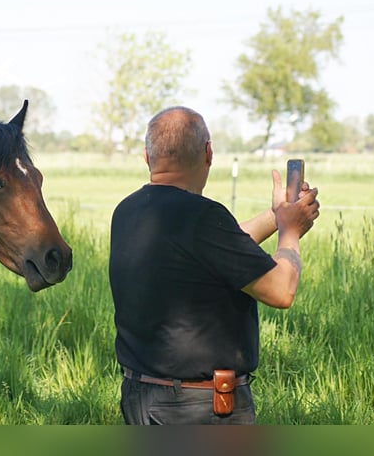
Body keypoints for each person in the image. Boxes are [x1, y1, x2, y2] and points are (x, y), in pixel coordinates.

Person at [108, 106, 320, 425]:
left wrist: (279, 214)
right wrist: (291, 231)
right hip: (199, 409)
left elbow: (218, 249)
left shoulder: (128, 211)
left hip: (141, 399)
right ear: (209, 153)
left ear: (146, 156)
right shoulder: (203, 216)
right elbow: (281, 291)